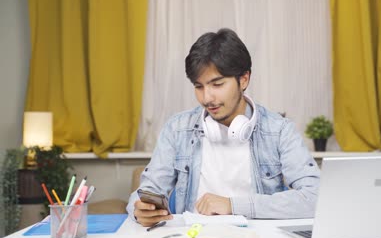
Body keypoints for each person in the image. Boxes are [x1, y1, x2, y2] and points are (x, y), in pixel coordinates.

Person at [127, 28, 320, 227]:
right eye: (199, 86)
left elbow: (315, 197)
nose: (207, 98)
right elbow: (145, 193)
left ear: (243, 79)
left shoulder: (279, 131)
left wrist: (233, 205)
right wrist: (139, 209)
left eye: (217, 84)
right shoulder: (177, 129)